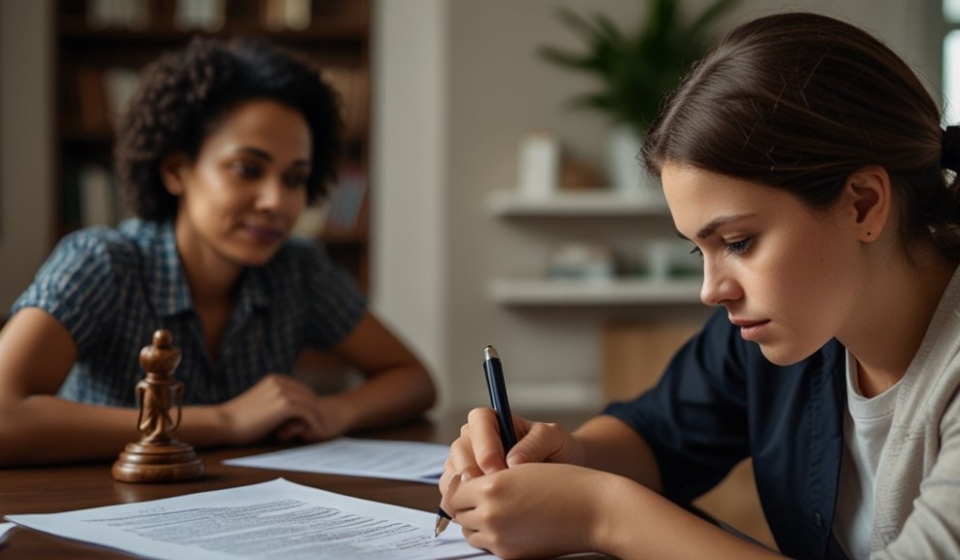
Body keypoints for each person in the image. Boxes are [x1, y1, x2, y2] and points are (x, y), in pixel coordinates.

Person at [440, 12, 960, 560]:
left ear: (863, 204)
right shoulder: (787, 326)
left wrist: (602, 513)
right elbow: (655, 437)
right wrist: (558, 459)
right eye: (699, 249)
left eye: (737, 242)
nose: (712, 291)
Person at [0, 37, 436, 467]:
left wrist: (332, 412)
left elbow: (414, 380)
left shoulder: (299, 268)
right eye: (248, 170)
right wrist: (225, 420)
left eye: (294, 179)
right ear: (177, 170)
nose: (277, 203)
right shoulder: (101, 263)